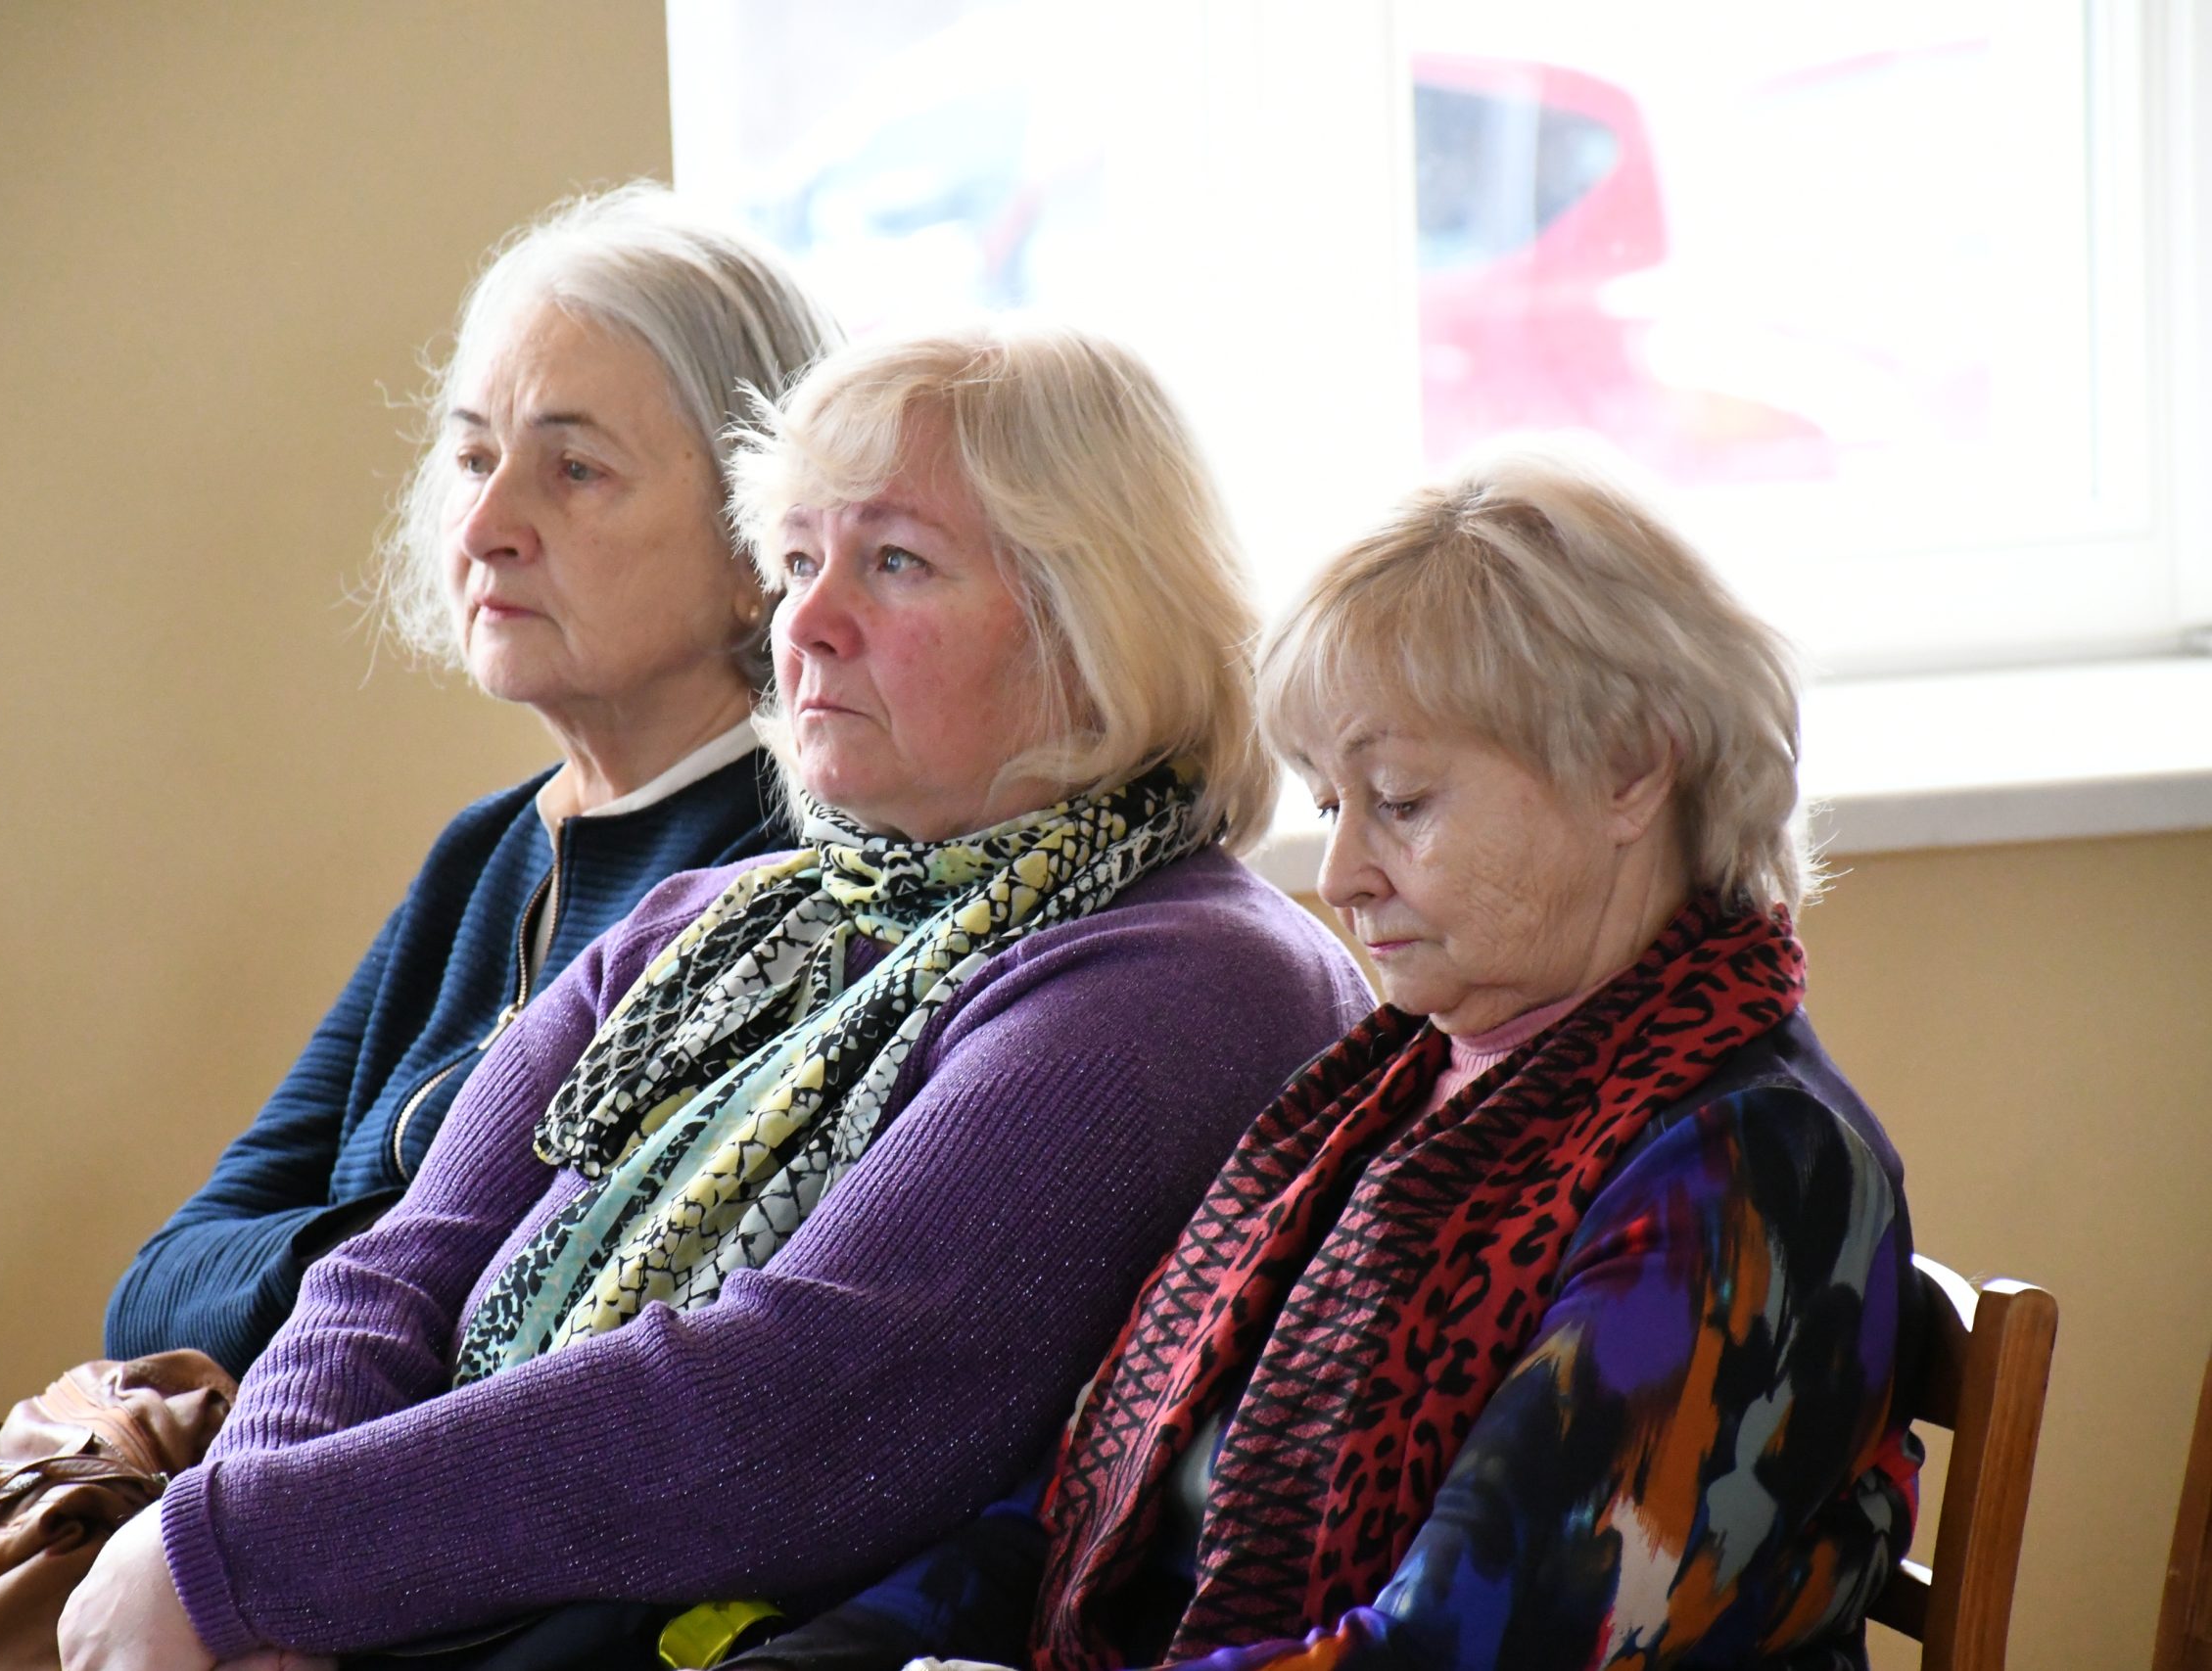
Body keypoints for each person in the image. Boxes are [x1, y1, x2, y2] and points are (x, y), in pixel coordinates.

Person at [57, 322, 1375, 1671]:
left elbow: (786, 1414)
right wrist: (253, 1593)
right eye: (798, 561)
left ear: (1092, 625)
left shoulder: (1187, 975)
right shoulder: (711, 919)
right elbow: (395, 1273)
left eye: (895, 561)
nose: (806, 622)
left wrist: (247, 1561)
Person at [744, 451, 1920, 1671]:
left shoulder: (1751, 1170)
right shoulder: (1378, 1098)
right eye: (1327, 805)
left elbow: (1467, 1649)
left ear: (1628, 767)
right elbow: (1064, 1517)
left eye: (1401, 801)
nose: (1343, 875)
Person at [104, 185, 835, 1376]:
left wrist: (335, 1271)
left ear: (761, 543)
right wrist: (389, 1264)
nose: (487, 521)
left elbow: (558, 1318)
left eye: (575, 469)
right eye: (474, 457)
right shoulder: (486, 853)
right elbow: (157, 1290)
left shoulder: (785, 877)